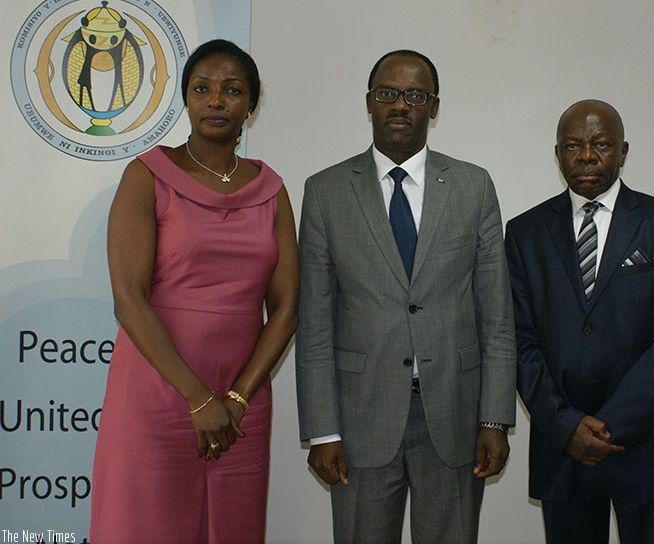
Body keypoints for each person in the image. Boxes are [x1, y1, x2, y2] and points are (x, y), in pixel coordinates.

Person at [295, 49, 516, 543]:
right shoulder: (326, 191)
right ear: (369, 103)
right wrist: (324, 431)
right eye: (388, 94)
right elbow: (315, 324)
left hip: (456, 417)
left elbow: (497, 315)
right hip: (359, 420)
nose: (401, 105)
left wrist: (495, 418)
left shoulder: (472, 187)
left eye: (415, 95)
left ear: (434, 108)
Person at [89, 39, 298, 542]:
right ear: (186, 98)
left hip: (241, 406)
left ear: (251, 104)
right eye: (202, 89)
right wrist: (199, 401)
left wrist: (237, 398)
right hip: (159, 395)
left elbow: (287, 307)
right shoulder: (147, 176)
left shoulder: (271, 189)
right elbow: (129, 300)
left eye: (232, 90)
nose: (216, 100)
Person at [505, 100, 654, 544]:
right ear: (557, 154)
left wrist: (608, 426)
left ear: (623, 150)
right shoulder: (523, 234)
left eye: (601, 144)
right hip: (564, 449)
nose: (587, 155)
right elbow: (518, 341)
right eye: (573, 145)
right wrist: (566, 427)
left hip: (649, 446)